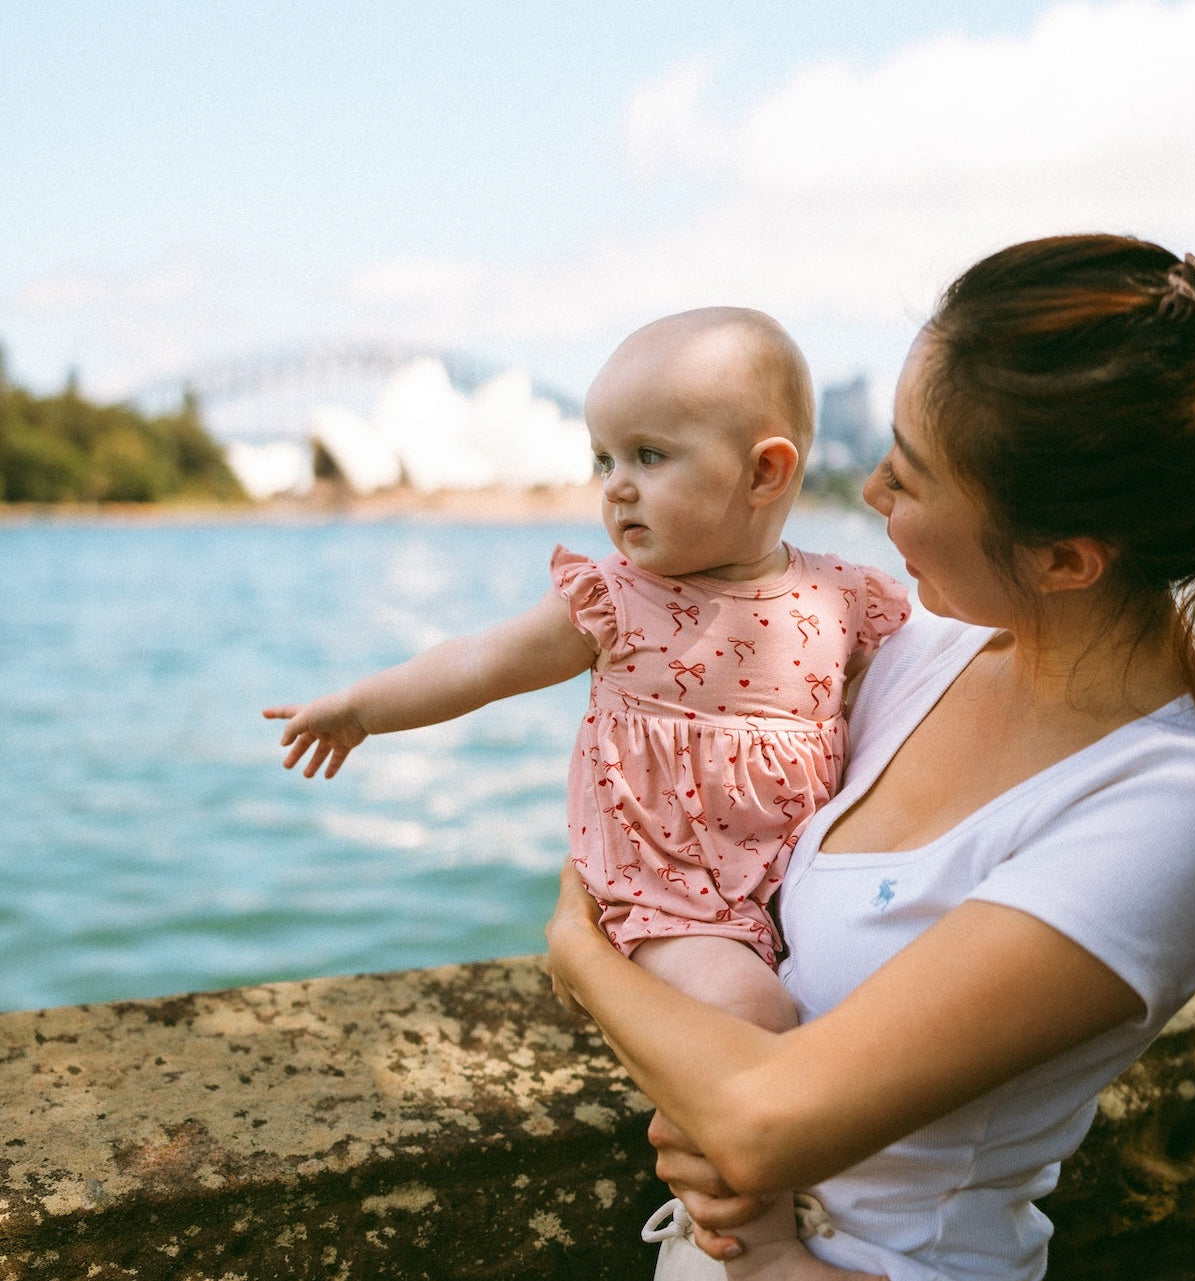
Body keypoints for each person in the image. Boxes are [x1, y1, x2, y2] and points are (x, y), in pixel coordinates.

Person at [545, 235, 1195, 1281]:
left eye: (915, 474)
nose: (875, 489)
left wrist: (583, 960)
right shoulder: (919, 652)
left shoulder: (1167, 806)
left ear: (1066, 559)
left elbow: (758, 1125)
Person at [265, 306, 910, 1279]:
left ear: (766, 472)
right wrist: (362, 708)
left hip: (791, 883)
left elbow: (952, 682)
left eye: (649, 455)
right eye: (603, 456)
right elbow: (481, 660)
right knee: (754, 1017)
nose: (614, 487)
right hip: (670, 890)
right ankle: (756, 1236)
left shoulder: (842, 600)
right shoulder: (615, 597)